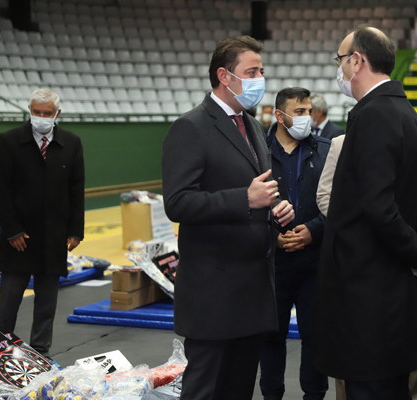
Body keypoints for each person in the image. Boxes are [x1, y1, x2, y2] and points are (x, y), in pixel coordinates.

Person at [313, 26, 417, 400]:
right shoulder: (406, 112)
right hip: (392, 292)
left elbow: (377, 206)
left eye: (340, 60)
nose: (339, 69)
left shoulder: (373, 115)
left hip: (365, 296)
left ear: (357, 61)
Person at [161, 35, 294, 400]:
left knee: (239, 389)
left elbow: (257, 190)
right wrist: (245, 199)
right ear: (224, 76)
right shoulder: (191, 127)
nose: (260, 79)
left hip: (252, 290)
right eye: (251, 72)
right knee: (205, 390)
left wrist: (275, 209)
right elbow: (178, 202)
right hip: (214, 293)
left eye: (261, 71)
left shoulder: (251, 126)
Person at [316, 133, 417, 400]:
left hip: (402, 262)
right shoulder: (342, 143)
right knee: (352, 353)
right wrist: (359, 231)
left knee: (404, 353)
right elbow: (324, 195)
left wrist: (413, 246)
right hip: (354, 266)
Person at [0, 88, 85, 357]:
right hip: (19, 239)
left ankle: (41, 353)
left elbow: (76, 190)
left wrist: (75, 230)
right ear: (29, 110)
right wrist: (12, 231)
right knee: (9, 301)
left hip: (54, 237)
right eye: (37, 112)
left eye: (47, 113)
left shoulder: (72, 142)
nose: (41, 117)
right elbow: (2, 189)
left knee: (46, 303)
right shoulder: (9, 140)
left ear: (57, 114)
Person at [260, 87, 331, 400]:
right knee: (270, 336)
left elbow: (340, 203)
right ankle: (271, 394)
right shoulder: (258, 152)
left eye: (309, 111)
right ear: (280, 116)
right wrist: (272, 235)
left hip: (315, 261)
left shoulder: (326, 151)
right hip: (272, 263)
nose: (307, 118)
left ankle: (314, 395)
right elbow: (247, 203)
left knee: (316, 337)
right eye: (299, 112)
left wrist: (313, 230)